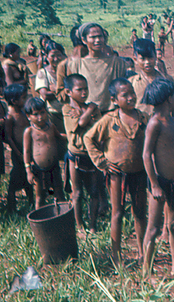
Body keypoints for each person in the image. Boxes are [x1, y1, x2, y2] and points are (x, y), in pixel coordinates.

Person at [84, 78, 148, 266]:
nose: (130, 98)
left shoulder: (143, 118)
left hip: (139, 172)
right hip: (117, 174)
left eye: (132, 94)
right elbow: (89, 138)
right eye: (124, 95)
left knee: (139, 213)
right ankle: (116, 253)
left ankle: (142, 251)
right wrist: (101, 161)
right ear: (114, 99)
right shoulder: (109, 120)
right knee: (117, 213)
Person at [141, 78, 174, 276]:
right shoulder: (154, 123)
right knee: (154, 229)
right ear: (168, 99)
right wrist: (154, 184)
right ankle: (146, 271)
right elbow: (146, 154)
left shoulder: (173, 122)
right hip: (160, 182)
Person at [56, 23, 129, 113]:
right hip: (86, 114)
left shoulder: (117, 63)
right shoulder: (75, 65)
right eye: (93, 37)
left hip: (111, 113)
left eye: (100, 36)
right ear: (84, 40)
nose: (97, 40)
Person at [63, 74, 102, 234]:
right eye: (79, 90)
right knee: (77, 193)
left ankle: (92, 225)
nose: (84, 92)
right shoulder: (67, 109)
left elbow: (98, 127)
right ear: (68, 92)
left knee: (94, 192)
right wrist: (90, 111)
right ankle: (79, 226)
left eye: (86, 89)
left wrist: (87, 117)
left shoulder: (89, 109)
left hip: (91, 155)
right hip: (75, 155)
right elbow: (80, 123)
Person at [23, 97, 65, 209]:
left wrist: (72, 136)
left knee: (59, 192)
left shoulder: (50, 126)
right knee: (40, 196)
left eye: (42, 113)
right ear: (28, 116)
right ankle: (40, 219)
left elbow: (60, 136)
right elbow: (26, 151)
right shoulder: (29, 131)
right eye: (35, 114)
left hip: (54, 167)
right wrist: (28, 171)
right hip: (38, 169)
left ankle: (63, 215)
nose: (40, 117)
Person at [129, 39, 174, 118]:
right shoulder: (131, 83)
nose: (147, 62)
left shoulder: (166, 80)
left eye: (150, 58)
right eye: (143, 59)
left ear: (155, 57)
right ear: (135, 59)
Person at [4, 84, 32, 211]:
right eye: (23, 98)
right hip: (18, 152)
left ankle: (32, 202)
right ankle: (11, 206)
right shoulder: (10, 116)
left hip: (26, 150)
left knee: (29, 177)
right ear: (14, 101)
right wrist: (17, 152)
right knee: (15, 178)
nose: (25, 100)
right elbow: (9, 137)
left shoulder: (22, 112)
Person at [35, 41, 65, 133]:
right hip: (52, 114)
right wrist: (64, 91)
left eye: (59, 55)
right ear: (47, 57)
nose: (56, 59)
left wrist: (54, 90)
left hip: (67, 113)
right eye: (52, 56)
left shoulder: (68, 71)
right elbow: (45, 95)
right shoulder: (42, 73)